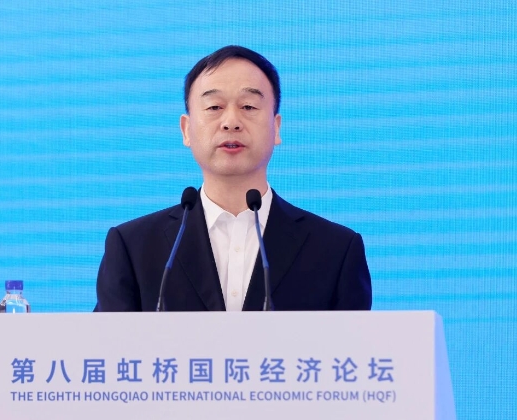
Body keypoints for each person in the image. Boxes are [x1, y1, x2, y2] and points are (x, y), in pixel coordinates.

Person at [95, 45, 371, 312]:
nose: (231, 122)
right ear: (186, 130)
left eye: (248, 106)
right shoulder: (133, 247)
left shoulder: (336, 251)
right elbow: (105, 342)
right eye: (214, 107)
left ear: (276, 128)